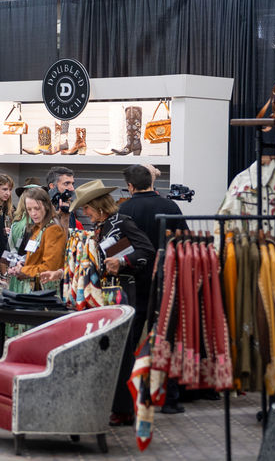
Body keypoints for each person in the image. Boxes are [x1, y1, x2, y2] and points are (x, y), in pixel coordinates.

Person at [70, 179, 155, 427]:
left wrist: (123, 262)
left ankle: (125, 408)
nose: (84, 212)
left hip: (123, 292)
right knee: (112, 349)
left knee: (123, 350)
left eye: (86, 207)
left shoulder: (122, 222)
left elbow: (146, 250)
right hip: (107, 293)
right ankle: (115, 405)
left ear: (98, 205)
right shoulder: (101, 226)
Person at [118, 164, 188, 414]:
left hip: (135, 281)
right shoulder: (171, 207)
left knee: (131, 337)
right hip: (165, 279)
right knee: (165, 337)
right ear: (151, 181)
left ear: (130, 186)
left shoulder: (125, 209)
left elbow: (120, 249)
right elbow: (184, 243)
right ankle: (169, 398)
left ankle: (128, 396)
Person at [6, 187, 66, 294]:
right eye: (29, 209)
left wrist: (23, 270)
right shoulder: (38, 227)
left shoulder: (53, 229)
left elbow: (50, 268)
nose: (33, 213)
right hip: (34, 290)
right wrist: (22, 264)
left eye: (37, 208)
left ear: (46, 206)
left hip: (45, 292)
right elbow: (35, 258)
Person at [46, 166, 82, 230]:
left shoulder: (69, 211)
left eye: (72, 184)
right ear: (52, 186)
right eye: (66, 184)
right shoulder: (42, 211)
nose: (72, 188)